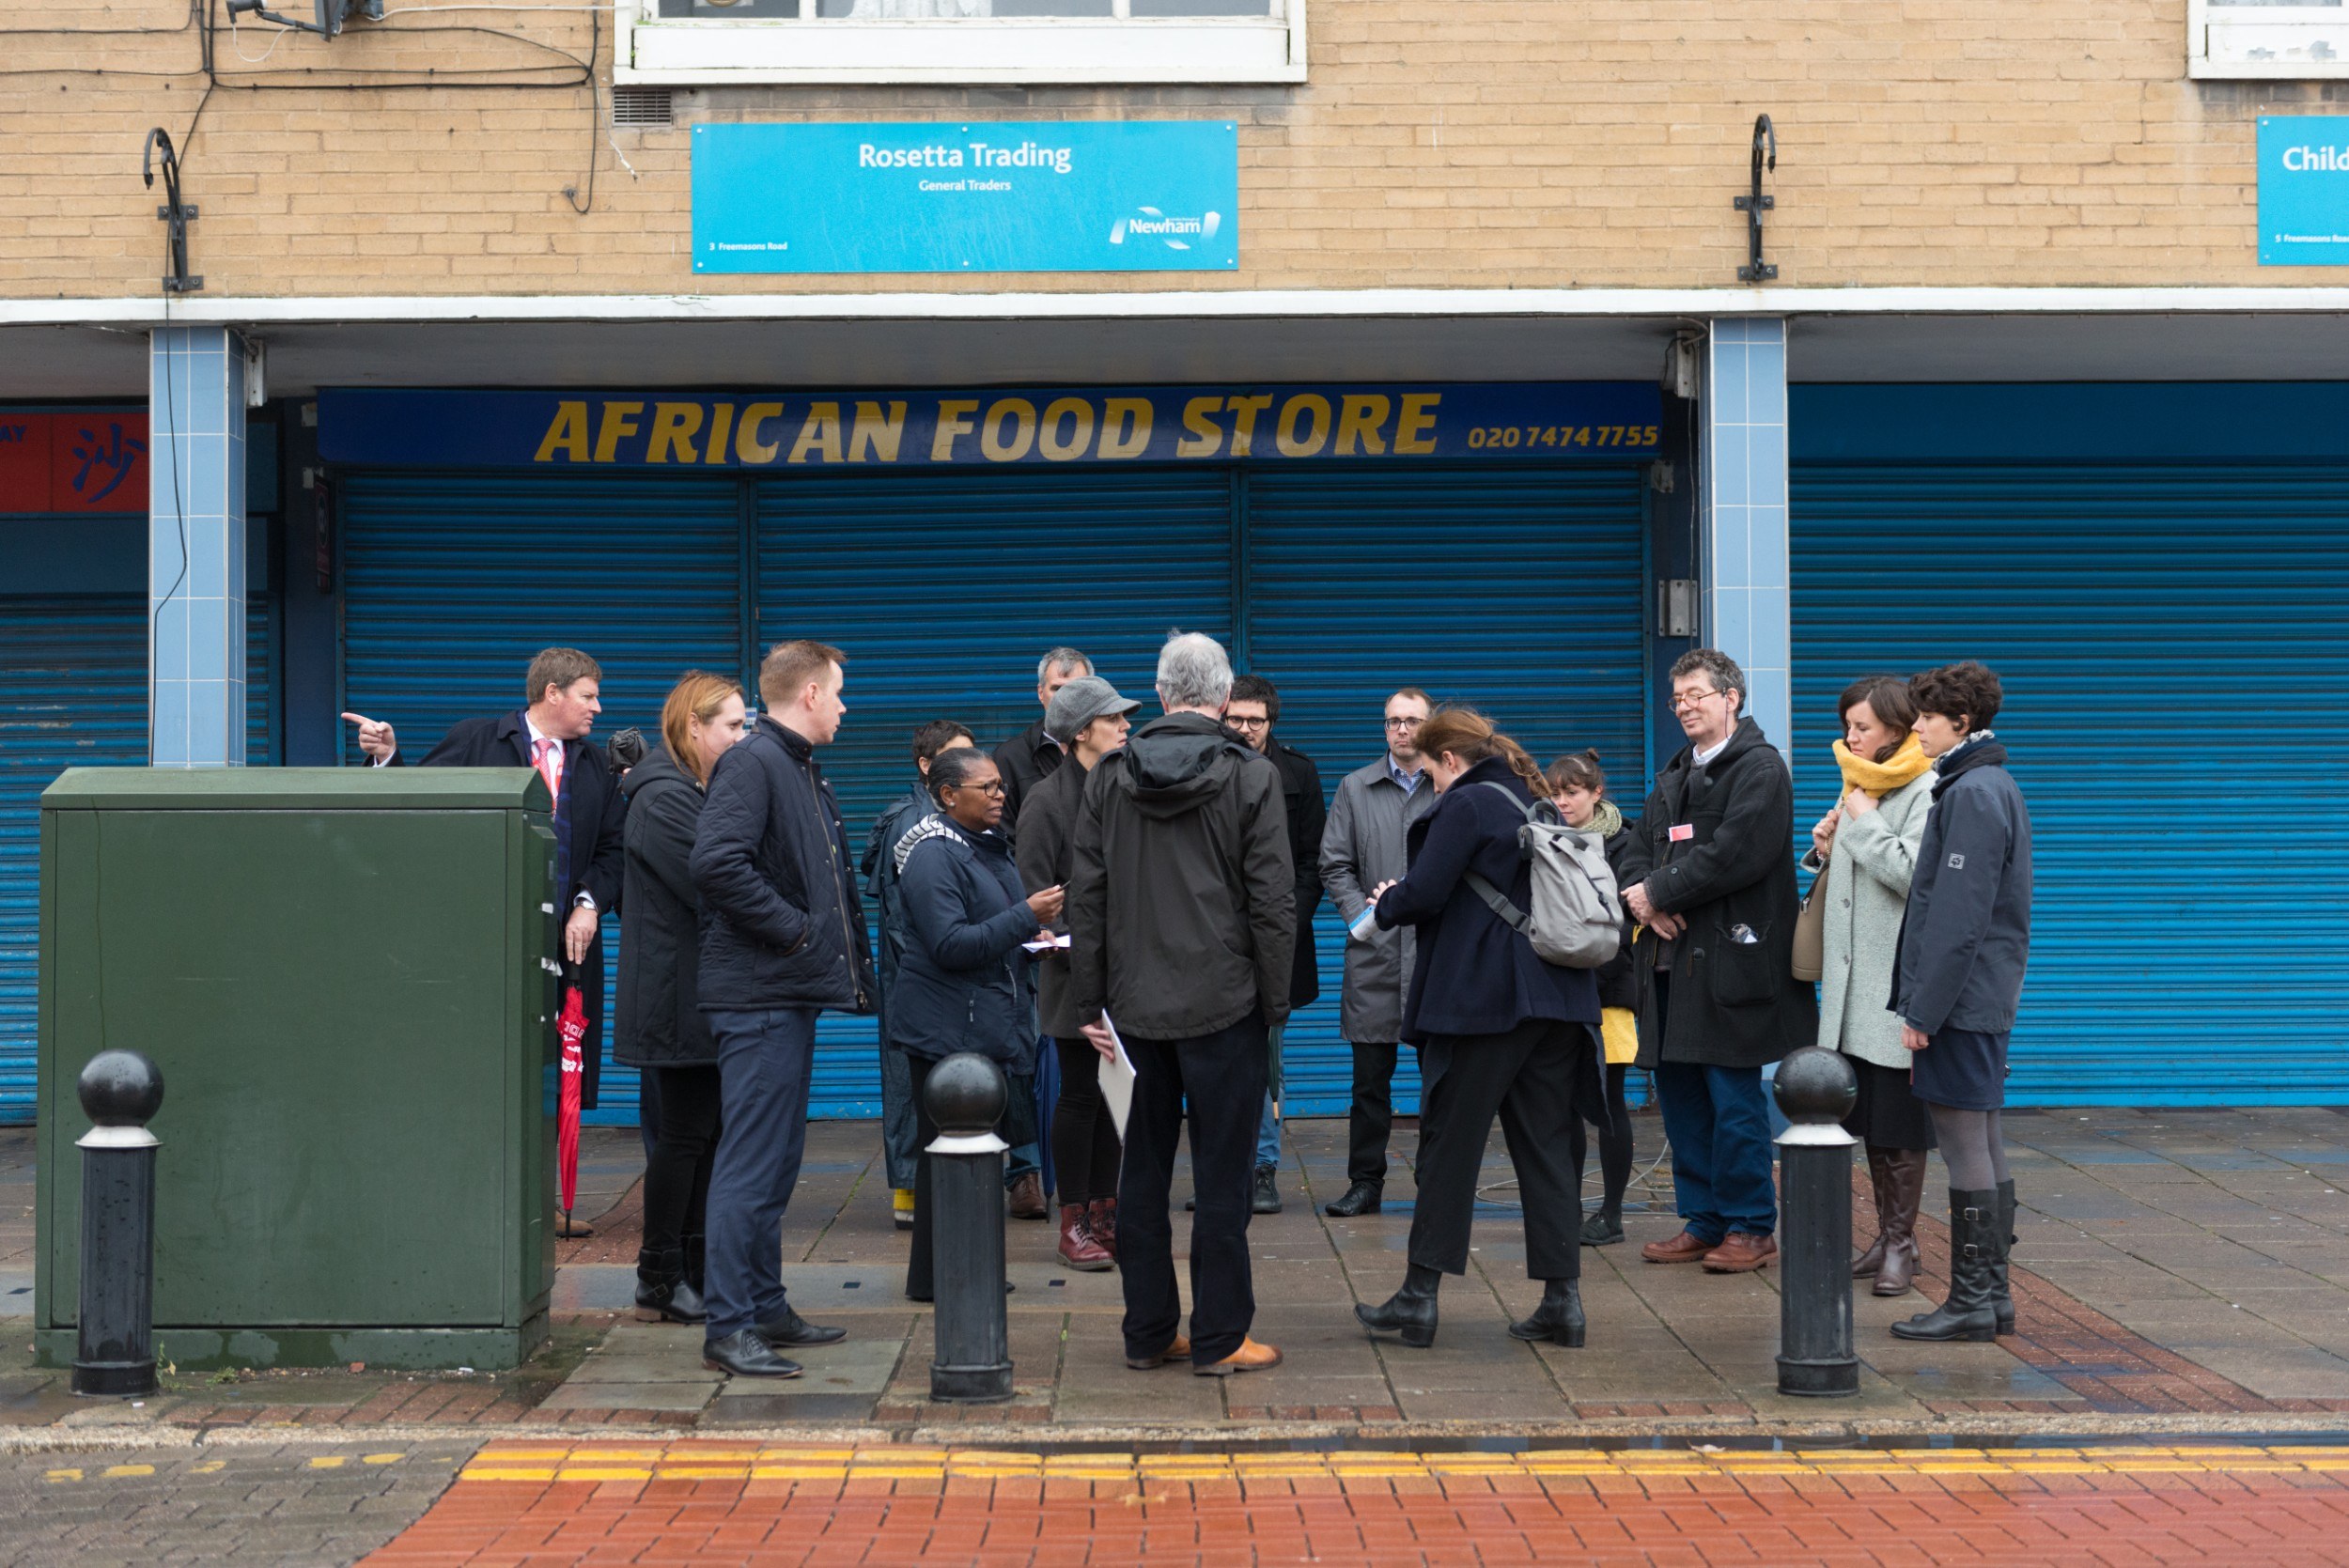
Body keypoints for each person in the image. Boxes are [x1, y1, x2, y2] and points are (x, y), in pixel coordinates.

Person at [1066, 631, 1293, 1378]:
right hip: (1225, 1004)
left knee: (1141, 1174)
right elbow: (1272, 901)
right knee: (1224, 1180)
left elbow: (1088, 898)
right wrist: (1273, 1001)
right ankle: (1223, 1336)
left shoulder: (1109, 776)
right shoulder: (1251, 776)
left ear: (1161, 695)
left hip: (1133, 1008)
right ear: (1224, 698)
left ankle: (1148, 1330)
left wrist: (1090, 1001)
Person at [345, 648, 627, 1237]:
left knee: (555, 1068)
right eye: (588, 696)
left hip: (567, 949)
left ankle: (536, 1203)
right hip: (484, 947)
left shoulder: (595, 765)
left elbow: (613, 850)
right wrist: (389, 756)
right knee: (486, 1066)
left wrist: (587, 905)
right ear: (552, 694)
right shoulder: (477, 740)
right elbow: (423, 810)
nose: (598, 708)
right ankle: (471, 1196)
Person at [1354, 709, 1602, 1351]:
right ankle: (1562, 1300)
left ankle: (1419, 1297)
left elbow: (1427, 892)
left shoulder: (1465, 805)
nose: (1430, 781)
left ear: (1450, 760)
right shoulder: (1533, 799)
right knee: (1549, 1150)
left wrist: (1386, 899)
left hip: (1483, 1003)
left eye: (1431, 769)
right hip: (1557, 998)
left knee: (1449, 1146)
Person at [690, 640, 871, 1379]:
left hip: (783, 992)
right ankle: (729, 1324)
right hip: (759, 995)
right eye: (836, 692)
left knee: (777, 1159)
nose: (844, 705)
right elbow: (716, 863)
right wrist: (795, 930)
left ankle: (764, 1304)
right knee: (751, 1162)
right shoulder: (756, 762)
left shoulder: (794, 766)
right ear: (806, 694)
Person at [1620, 649, 1817, 1275]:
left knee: (1733, 1103)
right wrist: (1642, 900)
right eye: (1677, 697)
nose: (1684, 706)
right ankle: (1702, 1219)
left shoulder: (1760, 770)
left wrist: (1660, 891)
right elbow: (1635, 847)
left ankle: (1752, 1225)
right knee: (1682, 1101)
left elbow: (1737, 854)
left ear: (1732, 696)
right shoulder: (1674, 773)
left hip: (1733, 964)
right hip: (1669, 964)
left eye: (1697, 694)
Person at [1890, 660, 2032, 1344]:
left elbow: (1958, 916)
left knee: (1963, 1141)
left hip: (1961, 1002)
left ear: (1963, 723)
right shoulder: (1987, 784)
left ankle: (1973, 1300)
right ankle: (1992, 1298)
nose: (1916, 725)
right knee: (1985, 1138)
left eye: (1927, 716)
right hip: (1980, 998)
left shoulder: (1972, 791)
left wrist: (1923, 1010)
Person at [892, 747, 1066, 1301]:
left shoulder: (988, 849)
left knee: (979, 1158)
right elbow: (948, 944)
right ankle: (941, 1280)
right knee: (946, 1161)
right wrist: (1025, 917)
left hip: (986, 1025)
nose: (1000, 795)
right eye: (986, 788)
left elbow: (990, 932)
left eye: (999, 786)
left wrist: (1033, 941)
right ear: (948, 796)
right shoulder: (932, 855)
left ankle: (961, 1273)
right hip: (947, 1033)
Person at [614, 671, 748, 1325]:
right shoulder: (664, 799)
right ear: (694, 726)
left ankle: (690, 1268)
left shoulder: (692, 791)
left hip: (701, 992)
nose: (743, 736)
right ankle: (660, 1275)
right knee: (684, 1136)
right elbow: (714, 883)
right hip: (676, 998)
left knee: (703, 1135)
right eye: (733, 725)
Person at [1807, 675, 1938, 1297]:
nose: (1849, 737)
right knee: (1869, 1121)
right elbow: (1858, 875)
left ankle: (1904, 1245)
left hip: (1892, 988)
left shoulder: (1926, 787)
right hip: (1850, 988)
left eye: (1861, 726)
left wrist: (1859, 822)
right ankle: (1886, 1237)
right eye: (1847, 725)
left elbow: (1915, 875)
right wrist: (1826, 848)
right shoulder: (1862, 779)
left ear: (1896, 726)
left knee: (1900, 1125)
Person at [1016, 675, 1142, 1272]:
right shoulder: (1045, 800)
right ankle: (1075, 1224)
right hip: (1071, 974)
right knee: (1080, 1094)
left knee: (1117, 1098)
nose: (1125, 726)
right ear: (1083, 731)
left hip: (1126, 977)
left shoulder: (1126, 787)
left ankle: (1106, 1213)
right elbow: (1036, 900)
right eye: (1115, 719)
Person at [1316, 687, 1439, 1219]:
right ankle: (1365, 1183)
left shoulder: (1451, 786)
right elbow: (1334, 863)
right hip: (1376, 955)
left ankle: (1439, 1185)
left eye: (1412, 721)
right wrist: (1362, 919)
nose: (1402, 730)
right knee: (1369, 1084)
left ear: (1431, 727)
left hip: (1438, 956)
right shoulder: (1355, 787)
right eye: (1393, 721)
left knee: (1443, 1082)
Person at [863, 719, 979, 1233]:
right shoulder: (913, 820)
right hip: (920, 980)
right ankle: (912, 1190)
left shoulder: (958, 816)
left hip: (943, 976)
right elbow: (901, 917)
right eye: (957, 759)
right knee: (911, 1085)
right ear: (928, 767)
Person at [1221, 674, 1326, 1217]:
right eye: (1234, 718)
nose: (1243, 729)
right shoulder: (1206, 767)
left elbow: (1313, 862)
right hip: (1214, 940)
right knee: (1217, 1060)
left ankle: (1262, 1170)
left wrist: (1284, 925)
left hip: (1275, 942)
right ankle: (1225, 1171)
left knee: (1265, 1059)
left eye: (1254, 720)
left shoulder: (1298, 774)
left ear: (1271, 723)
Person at [1547, 750, 1640, 1249]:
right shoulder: (1546, 839)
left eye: (1572, 792)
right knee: (1563, 1107)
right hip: (1561, 990)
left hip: (1609, 992)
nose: (1562, 802)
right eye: (1555, 793)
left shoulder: (1625, 844)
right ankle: (1567, 1206)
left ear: (1596, 793)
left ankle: (1612, 1212)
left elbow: (1619, 923)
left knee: (1607, 1105)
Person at [993, 646, 1094, 830]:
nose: (1066, 698)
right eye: (1057, 688)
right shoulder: (1010, 758)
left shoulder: (1112, 752)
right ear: (1041, 693)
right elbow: (1005, 837)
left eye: (1076, 688)